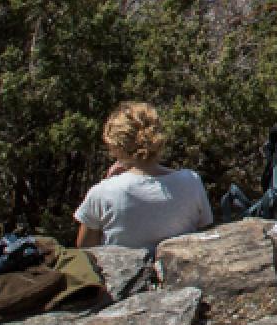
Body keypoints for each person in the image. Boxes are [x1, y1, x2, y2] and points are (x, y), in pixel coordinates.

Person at [74, 101, 214, 250]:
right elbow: (204, 230)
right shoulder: (191, 181)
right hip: (179, 268)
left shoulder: (103, 192)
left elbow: (85, 247)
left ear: (116, 145)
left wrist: (109, 182)